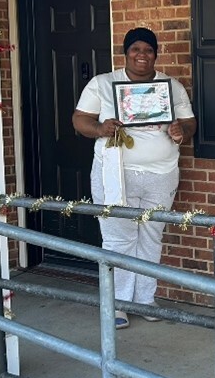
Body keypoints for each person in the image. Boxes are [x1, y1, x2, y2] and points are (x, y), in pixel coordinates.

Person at [72, 27, 196, 329]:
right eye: (135, 49)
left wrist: (182, 131)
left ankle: (145, 300)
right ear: (125, 53)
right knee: (118, 239)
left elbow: (190, 123)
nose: (142, 55)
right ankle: (118, 304)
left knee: (152, 236)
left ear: (156, 53)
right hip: (115, 174)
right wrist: (101, 129)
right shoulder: (103, 84)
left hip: (162, 174)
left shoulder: (171, 86)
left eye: (148, 50)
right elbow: (80, 121)